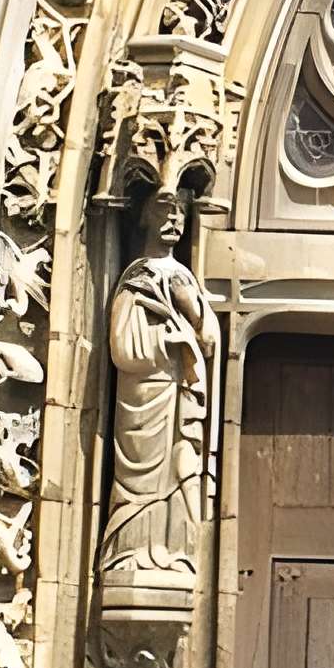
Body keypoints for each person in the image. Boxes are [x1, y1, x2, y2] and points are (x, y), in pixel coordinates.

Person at [99, 187, 218, 589]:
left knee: (181, 468)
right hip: (145, 394)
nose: (174, 220)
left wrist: (192, 306)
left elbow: (211, 339)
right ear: (145, 217)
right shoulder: (138, 275)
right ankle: (132, 552)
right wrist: (167, 342)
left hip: (179, 392)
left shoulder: (184, 276)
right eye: (164, 210)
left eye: (181, 213)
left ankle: (175, 553)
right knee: (145, 478)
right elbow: (122, 346)